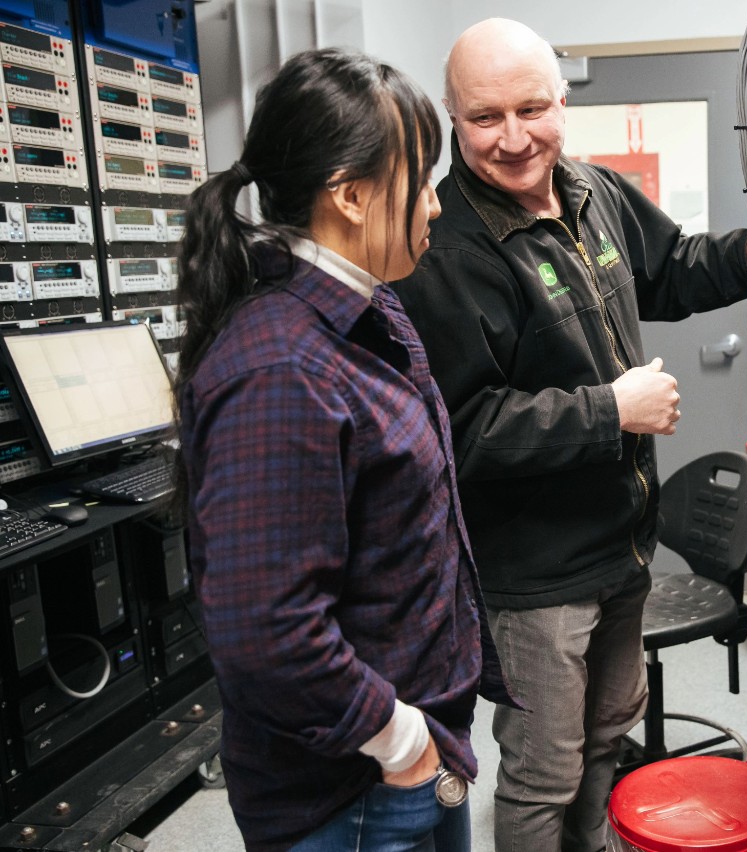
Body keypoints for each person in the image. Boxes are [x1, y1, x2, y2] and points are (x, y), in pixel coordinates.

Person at [392, 18, 747, 852]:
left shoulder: (592, 192)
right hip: (536, 575)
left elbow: (671, 265)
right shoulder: (445, 249)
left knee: (609, 735)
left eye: (533, 108)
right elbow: (463, 431)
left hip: (620, 546)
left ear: (563, 100)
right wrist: (612, 410)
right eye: (486, 118)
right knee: (543, 771)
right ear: (454, 119)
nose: (515, 137)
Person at [174, 47, 511, 852]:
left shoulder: (370, 313)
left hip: (412, 749)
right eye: (420, 181)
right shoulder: (282, 368)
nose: (435, 205)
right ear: (353, 195)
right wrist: (401, 743)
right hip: (356, 790)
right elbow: (267, 631)